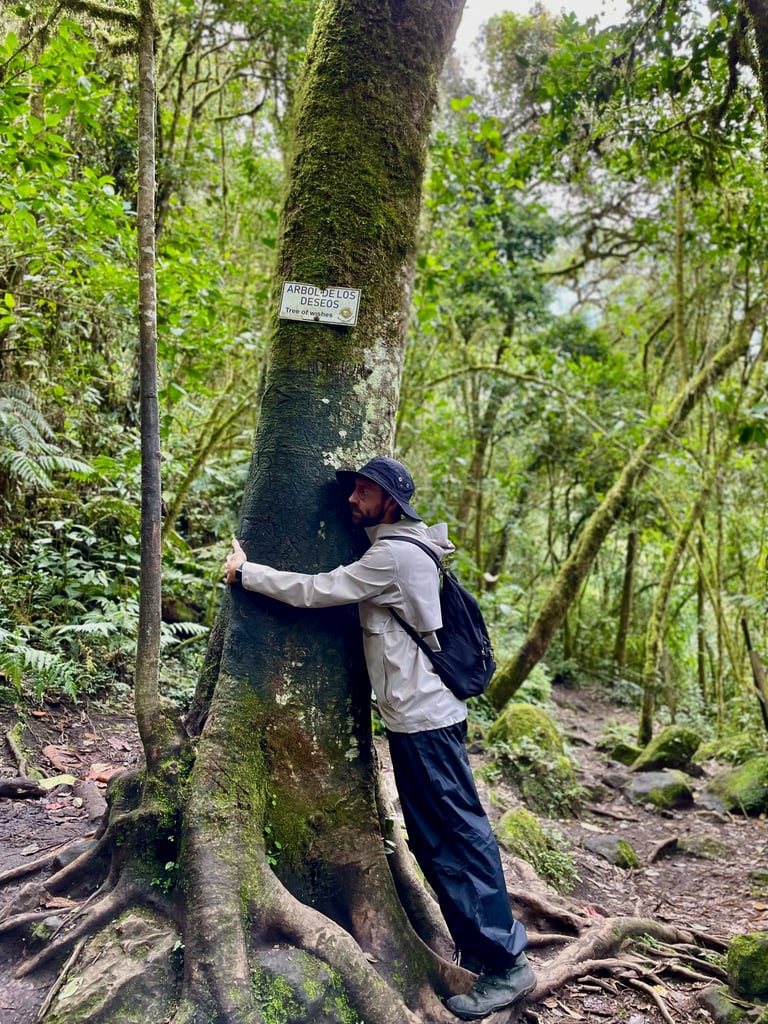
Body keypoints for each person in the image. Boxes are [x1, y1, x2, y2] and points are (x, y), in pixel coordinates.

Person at [224, 456, 535, 1021]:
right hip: (420, 720)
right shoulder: (402, 547)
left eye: (364, 492)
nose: (352, 500)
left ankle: (508, 965)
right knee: (438, 841)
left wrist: (248, 573)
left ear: (390, 503)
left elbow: (318, 590)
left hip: (427, 724)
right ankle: (485, 954)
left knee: (458, 840)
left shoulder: (391, 557)